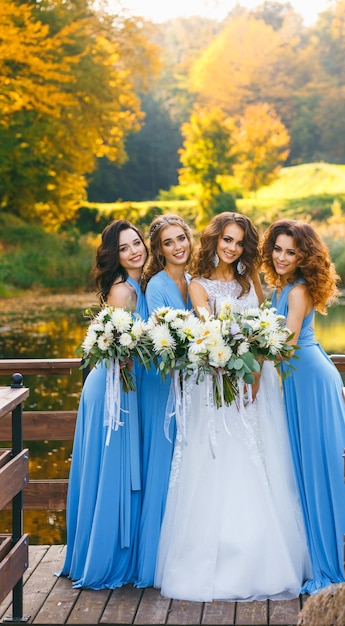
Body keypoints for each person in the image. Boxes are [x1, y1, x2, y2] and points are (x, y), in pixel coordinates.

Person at [154, 211, 312, 602]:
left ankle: (264, 556)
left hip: (256, 381)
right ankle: (214, 559)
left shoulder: (250, 281)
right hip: (216, 384)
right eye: (227, 239)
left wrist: (255, 369)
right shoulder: (198, 286)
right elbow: (208, 333)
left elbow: (262, 327)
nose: (232, 247)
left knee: (259, 462)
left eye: (239, 242)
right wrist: (235, 358)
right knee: (216, 466)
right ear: (215, 240)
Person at [261, 218, 345, 595]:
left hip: (310, 380)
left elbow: (286, 347)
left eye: (290, 251)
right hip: (298, 383)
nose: (282, 257)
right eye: (277, 249)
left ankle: (330, 564)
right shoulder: (282, 287)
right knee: (305, 468)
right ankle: (317, 555)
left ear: (304, 256)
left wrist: (240, 350)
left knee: (319, 469)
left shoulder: (297, 292)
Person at [59, 219, 149, 589]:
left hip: (122, 385)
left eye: (137, 242)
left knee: (112, 467)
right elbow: (121, 350)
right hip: (113, 388)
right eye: (125, 248)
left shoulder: (139, 286)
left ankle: (107, 550)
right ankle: (105, 558)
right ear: (115, 255)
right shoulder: (122, 290)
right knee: (110, 468)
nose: (134, 251)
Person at [137, 213, 194, 588]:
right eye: (169, 243)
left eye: (181, 239)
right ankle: (155, 558)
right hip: (165, 384)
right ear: (159, 251)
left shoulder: (195, 280)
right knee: (165, 460)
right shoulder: (156, 286)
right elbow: (161, 342)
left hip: (195, 383)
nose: (178, 247)